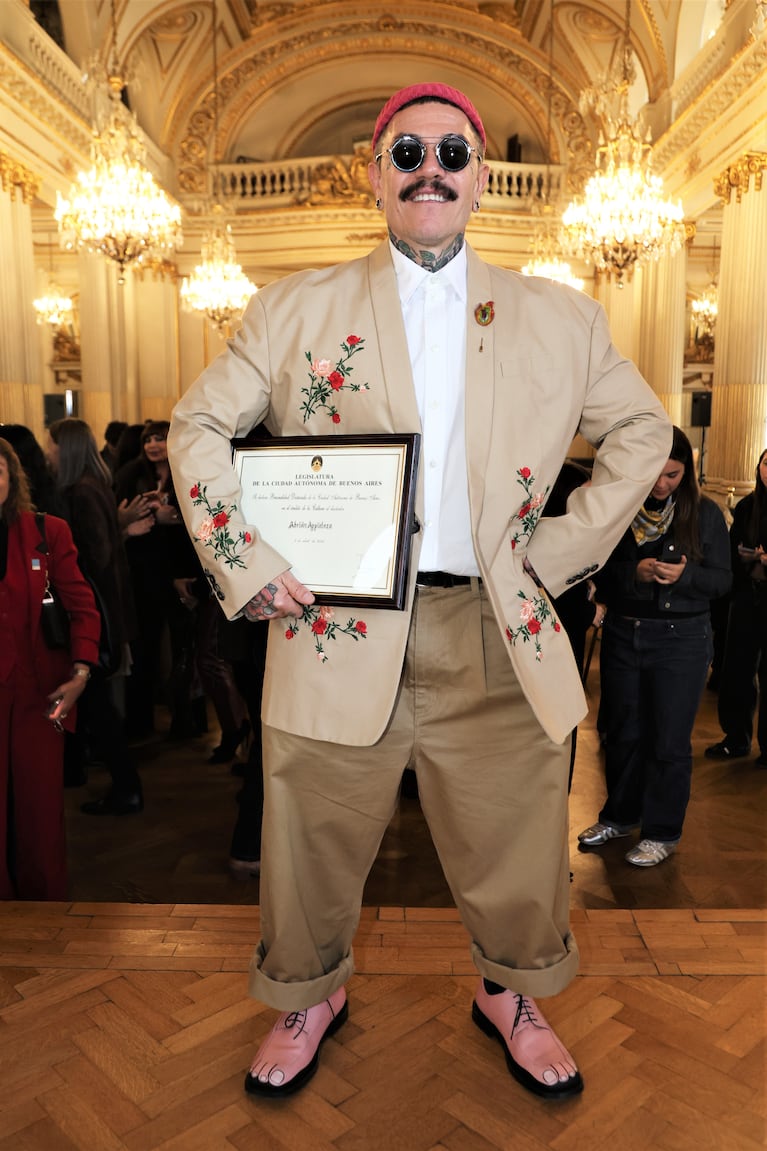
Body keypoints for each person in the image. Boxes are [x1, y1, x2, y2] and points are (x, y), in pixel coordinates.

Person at [168, 83, 671, 1101]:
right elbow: (196, 427)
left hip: (495, 621)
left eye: (450, 150)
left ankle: (511, 989)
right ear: (375, 172)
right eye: (406, 152)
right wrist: (248, 559)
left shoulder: (560, 317)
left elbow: (642, 431)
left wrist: (562, 548)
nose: (428, 168)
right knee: (307, 825)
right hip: (333, 622)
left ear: (480, 175)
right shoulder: (294, 306)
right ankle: (307, 991)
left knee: (519, 831)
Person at [578, 427, 731, 866]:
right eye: (655, 474)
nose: (662, 484)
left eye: (673, 474)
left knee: (668, 741)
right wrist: (634, 575)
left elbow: (722, 582)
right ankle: (620, 816)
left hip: (681, 639)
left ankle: (662, 832)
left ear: (688, 472)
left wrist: (685, 578)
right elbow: (596, 574)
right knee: (621, 733)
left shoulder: (705, 515)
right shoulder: (620, 510)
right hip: (625, 634)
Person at [0, 437, 100, 898]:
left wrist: (81, 673)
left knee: (40, 814)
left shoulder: (46, 531)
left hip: (41, 695)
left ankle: (44, 917)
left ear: (11, 477)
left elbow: (82, 606)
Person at [46, 418, 143, 814]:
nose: (48, 451)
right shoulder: (94, 483)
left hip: (95, 614)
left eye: (51, 445)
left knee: (99, 704)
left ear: (64, 448)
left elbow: (97, 557)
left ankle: (127, 788)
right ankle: (120, 784)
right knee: (98, 705)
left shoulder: (81, 491)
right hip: (108, 609)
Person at [705, 448, 767, 766]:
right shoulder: (746, 507)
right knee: (737, 671)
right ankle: (736, 738)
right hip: (746, 596)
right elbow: (731, 552)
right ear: (759, 467)